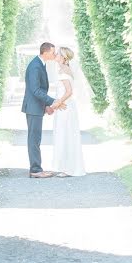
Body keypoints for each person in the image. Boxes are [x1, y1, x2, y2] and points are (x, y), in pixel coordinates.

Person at [21, 42, 66, 178]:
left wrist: (46, 106)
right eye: (53, 52)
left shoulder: (40, 63)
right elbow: (35, 89)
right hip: (33, 107)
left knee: (36, 138)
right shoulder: (35, 66)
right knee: (34, 139)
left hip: (37, 106)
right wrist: (52, 101)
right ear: (45, 52)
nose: (54, 55)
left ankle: (37, 168)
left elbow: (39, 88)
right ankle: (35, 170)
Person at [52, 46, 86, 177]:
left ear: (64, 57)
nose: (56, 55)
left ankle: (68, 168)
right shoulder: (65, 69)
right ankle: (69, 166)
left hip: (64, 107)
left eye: (58, 54)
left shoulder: (63, 71)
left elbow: (69, 91)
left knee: (64, 134)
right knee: (67, 134)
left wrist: (58, 103)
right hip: (67, 106)